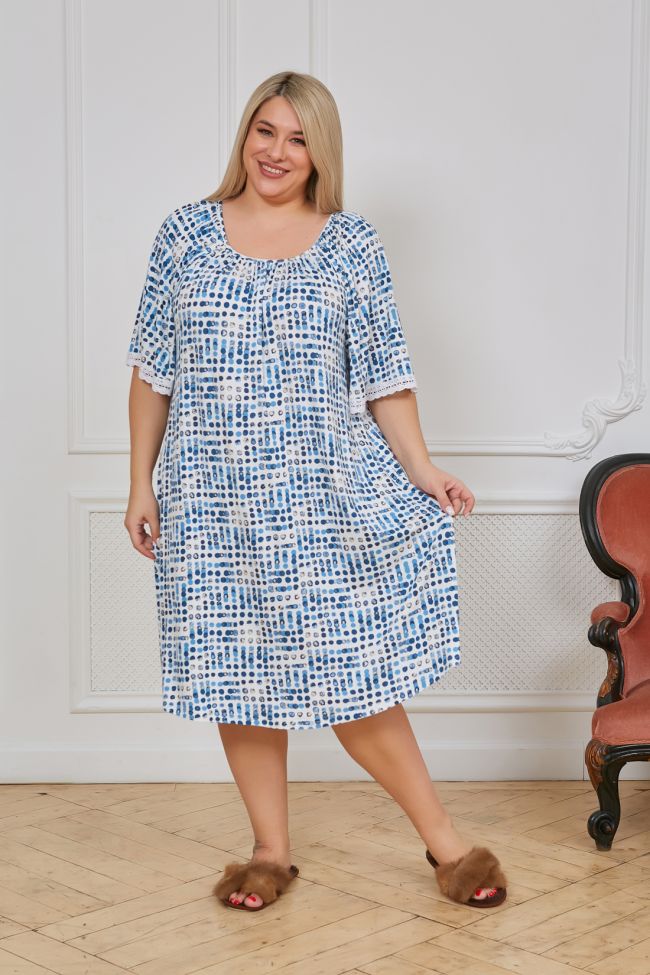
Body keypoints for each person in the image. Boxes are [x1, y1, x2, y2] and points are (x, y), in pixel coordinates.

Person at [124, 70, 507, 913]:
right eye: (265, 130)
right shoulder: (185, 235)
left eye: (298, 139)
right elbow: (153, 372)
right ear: (244, 134)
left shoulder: (350, 245)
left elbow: (385, 376)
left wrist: (423, 469)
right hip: (212, 501)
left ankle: (447, 843)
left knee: (348, 672)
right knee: (239, 672)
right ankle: (268, 852)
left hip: (319, 502)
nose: (277, 151)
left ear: (320, 152)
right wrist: (138, 482)